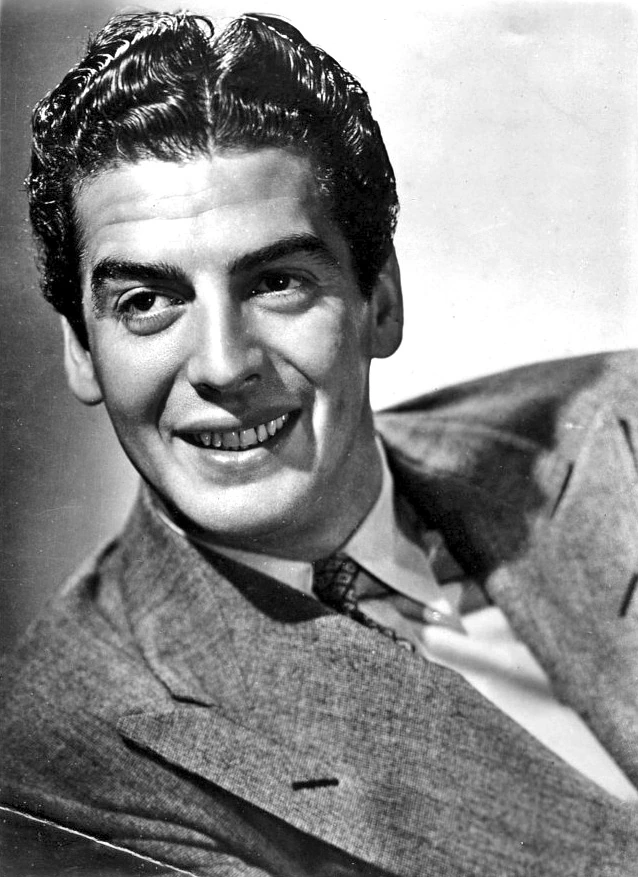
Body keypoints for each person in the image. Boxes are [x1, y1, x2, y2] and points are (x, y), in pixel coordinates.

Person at [1, 10, 637, 876]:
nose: (223, 366)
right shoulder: (59, 763)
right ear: (82, 348)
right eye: (146, 302)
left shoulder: (618, 428)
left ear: (380, 301)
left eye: (277, 283)